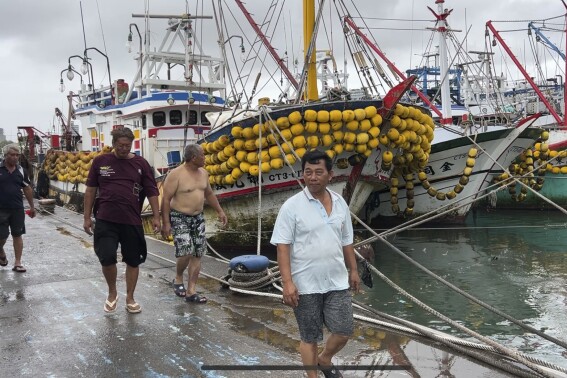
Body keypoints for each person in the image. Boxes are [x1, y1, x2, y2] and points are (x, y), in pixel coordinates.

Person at [270, 149, 360, 378]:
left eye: (318, 172)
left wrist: (354, 270)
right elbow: (283, 246)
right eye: (308, 172)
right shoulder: (292, 206)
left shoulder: (340, 203)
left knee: (344, 330)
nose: (312, 177)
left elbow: (347, 241)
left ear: (330, 174)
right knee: (309, 336)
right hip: (305, 284)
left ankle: (325, 359)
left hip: (336, 281)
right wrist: (287, 283)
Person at [83, 128, 161, 314]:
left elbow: (152, 191)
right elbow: (90, 190)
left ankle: (130, 298)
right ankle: (112, 293)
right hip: (105, 219)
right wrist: (86, 217)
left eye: (127, 145)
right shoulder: (101, 162)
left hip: (131, 220)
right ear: (114, 143)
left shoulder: (141, 163)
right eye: (120, 145)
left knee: (133, 260)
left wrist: (157, 216)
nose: (124, 149)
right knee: (107, 257)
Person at [161, 144, 227, 304]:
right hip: (179, 216)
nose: (205, 158)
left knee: (198, 253)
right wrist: (166, 222)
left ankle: (191, 291)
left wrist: (220, 211)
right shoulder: (176, 175)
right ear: (193, 158)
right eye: (203, 155)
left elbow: (209, 193)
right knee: (185, 252)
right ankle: (178, 278)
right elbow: (166, 199)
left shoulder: (203, 173)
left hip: (198, 217)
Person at [0, 145, 36, 273]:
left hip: (17, 209)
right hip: (1, 209)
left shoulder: (21, 171)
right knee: (2, 236)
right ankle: (1, 252)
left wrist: (32, 206)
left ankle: (17, 262)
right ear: (5, 155)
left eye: (17, 155)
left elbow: (27, 188)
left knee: (18, 234)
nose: (15, 157)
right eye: (12, 155)